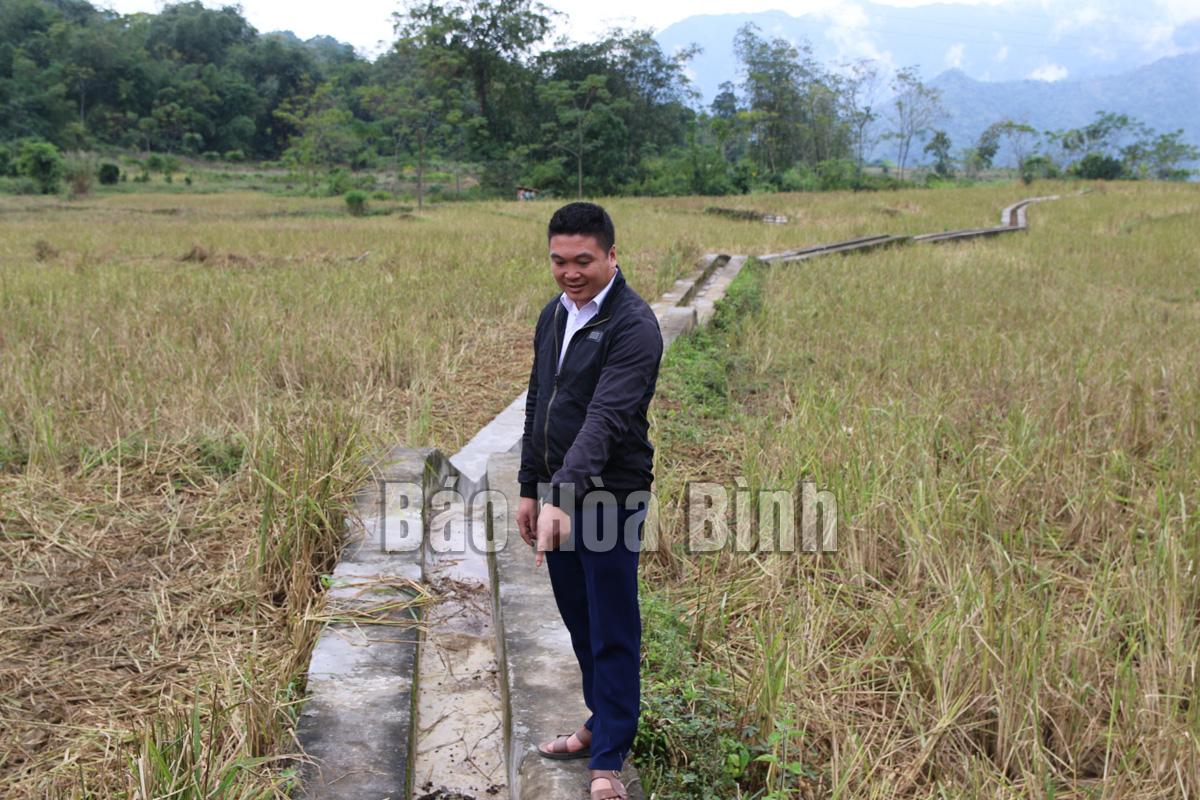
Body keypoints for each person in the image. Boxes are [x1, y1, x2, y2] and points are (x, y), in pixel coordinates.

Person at [516, 201, 664, 800]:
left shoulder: (634, 325)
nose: (570, 272)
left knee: (611, 627)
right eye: (559, 260)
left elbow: (605, 419)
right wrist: (530, 488)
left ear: (611, 255)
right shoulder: (555, 313)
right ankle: (599, 722)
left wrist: (562, 495)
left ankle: (608, 757)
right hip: (558, 492)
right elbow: (538, 400)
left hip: (609, 499)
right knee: (579, 620)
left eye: (583, 260)